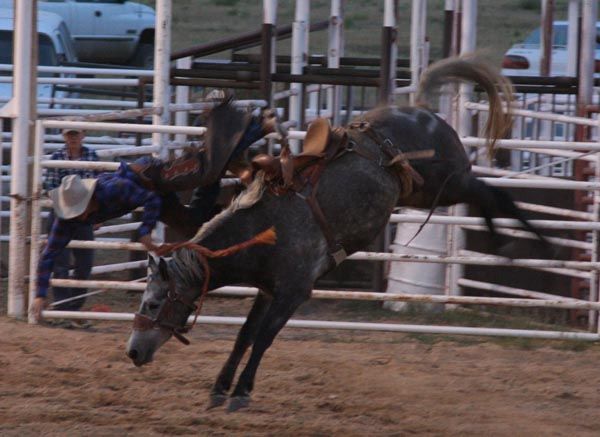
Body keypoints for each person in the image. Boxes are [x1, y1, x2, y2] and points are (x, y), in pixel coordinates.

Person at [30, 100, 277, 321]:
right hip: (150, 195)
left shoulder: (112, 190)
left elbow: (149, 198)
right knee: (194, 226)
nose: (80, 218)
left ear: (86, 202)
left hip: (152, 176)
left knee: (206, 171)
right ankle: (231, 149)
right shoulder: (67, 221)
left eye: (80, 212)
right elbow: (48, 255)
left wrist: (145, 231)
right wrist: (40, 295)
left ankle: (258, 125)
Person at [44, 128, 99, 319]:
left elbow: (100, 184)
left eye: (76, 134)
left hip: (82, 214)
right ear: (64, 136)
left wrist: (95, 213)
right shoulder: (57, 156)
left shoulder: (91, 155)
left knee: (84, 264)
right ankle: (63, 307)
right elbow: (50, 188)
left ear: (83, 135)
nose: (73, 138)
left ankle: (72, 307)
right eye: (70, 134)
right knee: (61, 263)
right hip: (64, 213)